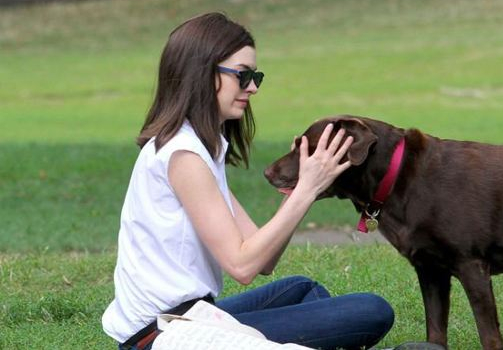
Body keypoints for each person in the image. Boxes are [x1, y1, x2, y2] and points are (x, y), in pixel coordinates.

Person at [101, 12, 394, 350]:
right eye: (242, 76)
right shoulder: (184, 156)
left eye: (255, 76)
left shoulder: (199, 147)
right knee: (372, 310)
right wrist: (308, 187)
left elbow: (264, 260)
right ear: (203, 73)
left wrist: (304, 184)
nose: (252, 87)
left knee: (302, 289)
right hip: (163, 334)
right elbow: (242, 265)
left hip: (192, 315)